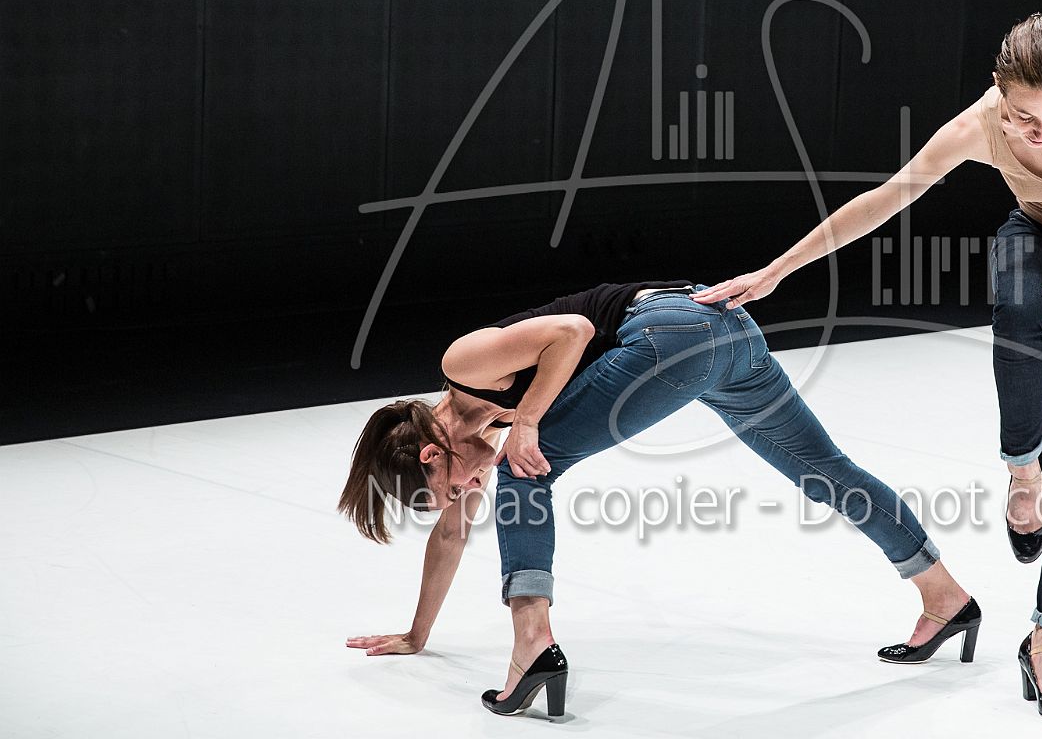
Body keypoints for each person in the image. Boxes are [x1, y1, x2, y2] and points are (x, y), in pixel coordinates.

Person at [694, 13, 1042, 725]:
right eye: (1024, 117)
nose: (1040, 132)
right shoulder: (979, 126)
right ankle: (1023, 471)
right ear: (999, 92)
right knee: (1016, 313)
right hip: (1041, 236)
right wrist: (776, 272)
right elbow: (886, 198)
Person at [339, 280, 980, 720]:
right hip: (726, 333)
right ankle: (947, 599)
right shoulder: (468, 437)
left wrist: (527, 419)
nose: (467, 493)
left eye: (455, 487)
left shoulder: (464, 364)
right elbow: (451, 535)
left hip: (674, 330)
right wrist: (417, 635)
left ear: (432, 453)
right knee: (824, 471)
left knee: (523, 468)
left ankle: (532, 645)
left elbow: (572, 330)